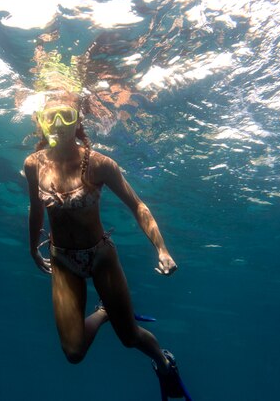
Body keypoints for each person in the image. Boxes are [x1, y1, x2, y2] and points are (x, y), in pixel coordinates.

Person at [23, 82, 192, 399]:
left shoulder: (99, 164)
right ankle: (102, 313)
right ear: (41, 123)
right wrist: (32, 248)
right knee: (73, 352)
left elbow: (138, 205)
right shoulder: (34, 164)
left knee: (128, 337)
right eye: (50, 118)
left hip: (100, 255)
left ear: (78, 120)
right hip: (62, 259)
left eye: (66, 115)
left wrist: (162, 249)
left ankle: (164, 362)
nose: (58, 124)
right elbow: (35, 209)